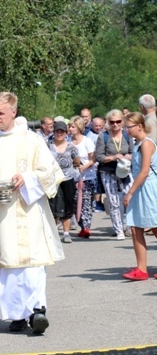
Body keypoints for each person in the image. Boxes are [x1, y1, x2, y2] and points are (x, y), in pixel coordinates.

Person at [0, 92, 65, 334]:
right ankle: (17, 314)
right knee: (7, 265)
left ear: (13, 112)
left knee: (33, 262)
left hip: (27, 211)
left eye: (1, 113)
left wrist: (27, 178)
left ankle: (38, 309)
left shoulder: (31, 140)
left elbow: (50, 172)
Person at [122, 113, 157, 280]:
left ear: (140, 126)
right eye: (126, 127)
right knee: (136, 228)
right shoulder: (138, 144)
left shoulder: (147, 144)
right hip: (140, 188)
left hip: (148, 188)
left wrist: (130, 192)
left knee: (155, 226)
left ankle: (143, 268)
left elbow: (144, 172)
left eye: (129, 127)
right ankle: (141, 269)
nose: (126, 130)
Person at [95, 109, 132, 240]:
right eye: (112, 122)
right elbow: (99, 157)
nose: (115, 124)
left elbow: (133, 152)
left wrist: (129, 156)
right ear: (108, 123)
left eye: (118, 121)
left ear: (122, 121)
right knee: (114, 201)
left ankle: (128, 226)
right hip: (108, 172)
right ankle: (119, 229)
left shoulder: (127, 135)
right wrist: (113, 157)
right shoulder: (103, 136)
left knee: (129, 198)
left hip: (125, 171)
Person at [47, 121, 80, 243]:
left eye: (62, 131)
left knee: (68, 205)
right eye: (57, 131)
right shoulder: (47, 146)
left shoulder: (71, 147)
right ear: (54, 132)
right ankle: (53, 232)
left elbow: (76, 161)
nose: (59, 134)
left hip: (67, 179)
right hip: (53, 180)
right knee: (53, 206)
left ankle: (66, 233)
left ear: (66, 133)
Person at [70, 116, 97, 238]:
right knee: (75, 203)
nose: (70, 129)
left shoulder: (87, 141)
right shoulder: (69, 142)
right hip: (74, 178)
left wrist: (84, 167)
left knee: (86, 203)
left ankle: (86, 228)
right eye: (70, 126)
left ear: (79, 127)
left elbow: (93, 159)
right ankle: (81, 225)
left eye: (73, 126)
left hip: (87, 177)